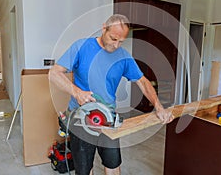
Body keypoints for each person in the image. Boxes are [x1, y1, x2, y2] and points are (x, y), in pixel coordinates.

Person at [49, 14, 173, 175]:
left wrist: (159, 107)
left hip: (108, 119)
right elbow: (54, 73)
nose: (116, 45)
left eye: (121, 41)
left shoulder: (124, 56)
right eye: (113, 38)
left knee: (113, 164)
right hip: (81, 120)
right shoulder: (82, 47)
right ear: (103, 29)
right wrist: (77, 92)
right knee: (85, 169)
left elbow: (143, 81)